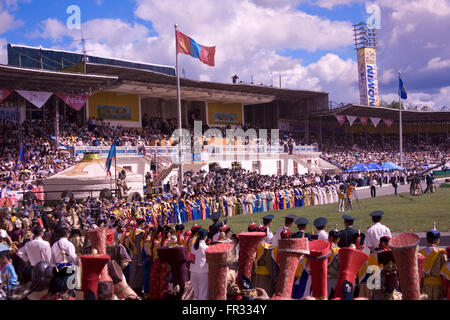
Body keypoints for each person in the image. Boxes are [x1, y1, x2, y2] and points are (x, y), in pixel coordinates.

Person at [419, 227, 447, 300]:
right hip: (438, 286)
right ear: (437, 240)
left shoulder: (419, 254)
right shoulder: (441, 254)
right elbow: (445, 273)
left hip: (424, 286)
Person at [190, 228, 209, 300]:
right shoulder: (206, 247)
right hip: (202, 272)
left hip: (193, 271)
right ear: (205, 237)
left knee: (196, 294)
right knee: (203, 294)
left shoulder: (193, 246)